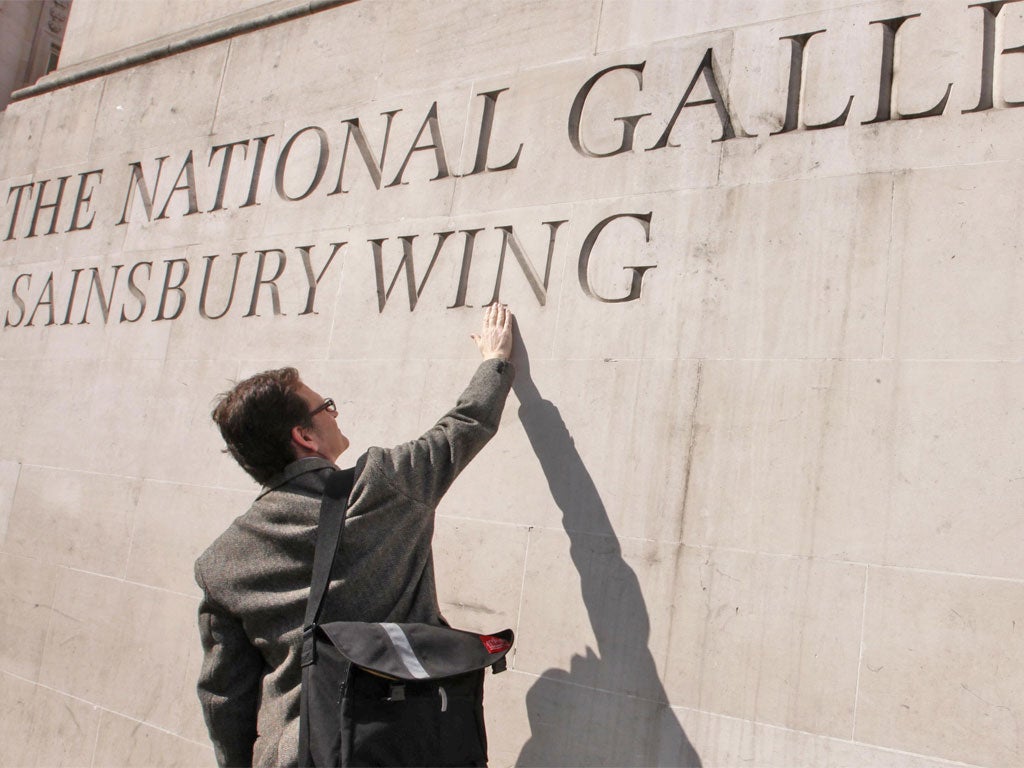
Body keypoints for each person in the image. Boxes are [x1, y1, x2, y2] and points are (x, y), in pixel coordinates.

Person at [194, 304, 515, 768]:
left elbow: (224, 698)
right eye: (326, 407)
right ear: (304, 436)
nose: (334, 413)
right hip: (401, 744)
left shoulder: (220, 562)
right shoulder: (381, 486)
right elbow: (464, 427)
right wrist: (494, 362)